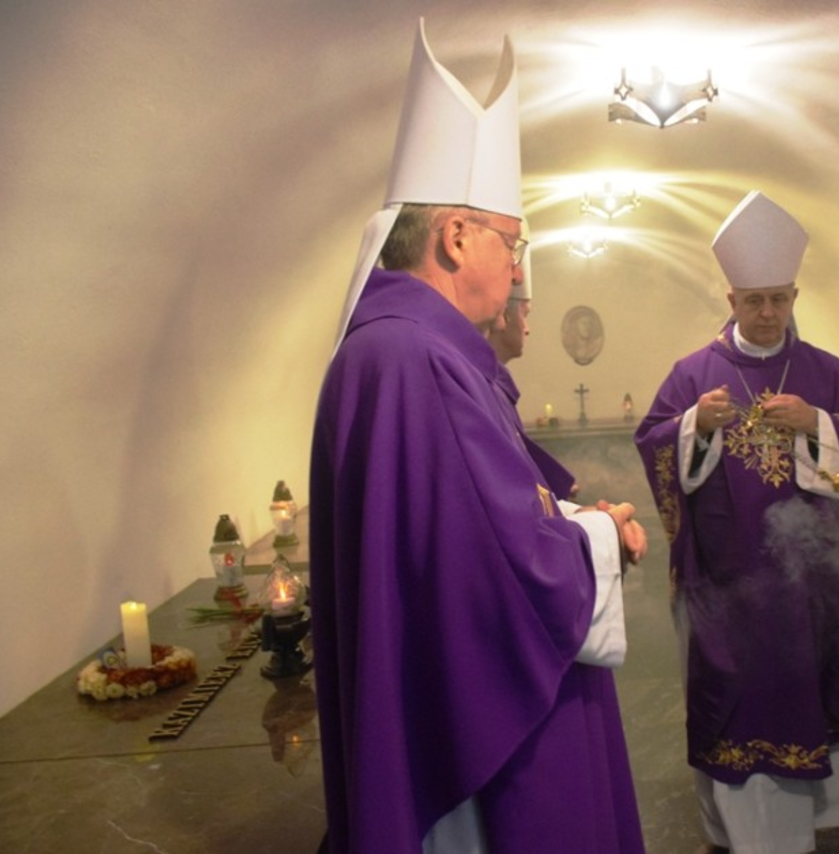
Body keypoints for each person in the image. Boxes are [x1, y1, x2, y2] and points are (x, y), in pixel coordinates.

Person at [310, 19, 646, 854]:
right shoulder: (417, 358)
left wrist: (568, 522)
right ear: (457, 237)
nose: (518, 265)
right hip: (471, 746)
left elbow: (459, 529)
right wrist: (604, 538)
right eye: (512, 241)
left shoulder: (401, 347)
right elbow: (495, 569)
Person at [634, 191, 839, 854]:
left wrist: (817, 424)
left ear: (795, 296)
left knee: (806, 698)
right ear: (732, 300)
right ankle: (734, 836)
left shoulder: (827, 372)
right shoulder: (694, 373)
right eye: (755, 301)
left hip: (809, 585)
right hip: (728, 585)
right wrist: (695, 426)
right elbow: (652, 440)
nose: (768, 313)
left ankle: (801, 832)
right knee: (734, 705)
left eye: (779, 299)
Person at [487, 259, 578, 499]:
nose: (528, 329)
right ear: (503, 316)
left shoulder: (497, 382)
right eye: (524, 315)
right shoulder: (480, 383)